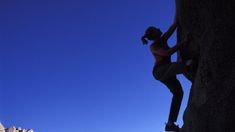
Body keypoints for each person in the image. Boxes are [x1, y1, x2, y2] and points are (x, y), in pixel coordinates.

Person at [141, 18, 192, 131]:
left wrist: (178, 14)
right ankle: (187, 65)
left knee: (178, 92)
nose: (159, 29)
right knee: (186, 64)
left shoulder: (163, 38)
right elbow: (166, 53)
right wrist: (183, 42)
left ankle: (170, 124)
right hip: (160, 71)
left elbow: (172, 27)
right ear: (153, 34)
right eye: (156, 29)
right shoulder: (153, 46)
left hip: (168, 71)